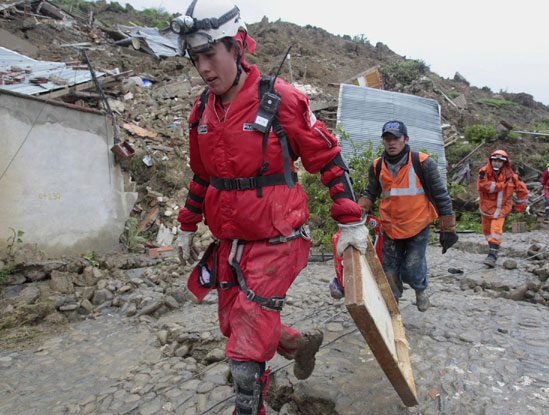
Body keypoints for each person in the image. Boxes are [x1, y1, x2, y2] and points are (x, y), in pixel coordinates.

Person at [170, 2, 368, 414]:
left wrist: (351, 221)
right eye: (196, 59)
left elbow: (327, 159)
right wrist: (187, 225)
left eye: (211, 55)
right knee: (236, 321)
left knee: (244, 346)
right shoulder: (200, 113)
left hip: (278, 240)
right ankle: (299, 344)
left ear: (237, 46)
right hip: (230, 242)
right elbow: (202, 176)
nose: (204, 68)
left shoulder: (281, 101)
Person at [358, 120, 458, 312]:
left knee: (411, 270)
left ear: (406, 140)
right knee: (389, 272)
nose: (391, 143)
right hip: (390, 227)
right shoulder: (377, 166)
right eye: (387, 139)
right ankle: (392, 308)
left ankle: (420, 288)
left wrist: (448, 229)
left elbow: (440, 195)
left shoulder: (423, 163)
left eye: (396, 139)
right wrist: (360, 210)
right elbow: (371, 192)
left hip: (417, 226)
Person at [477, 150, 528, 267]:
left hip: (502, 209)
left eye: (500, 161)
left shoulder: (511, 176)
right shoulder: (484, 172)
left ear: (504, 163)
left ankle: (492, 255)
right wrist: (502, 185)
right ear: (491, 161)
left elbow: (522, 190)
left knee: (496, 231)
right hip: (486, 208)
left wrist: (520, 207)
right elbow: (484, 186)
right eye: (495, 161)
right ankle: (493, 249)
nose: (497, 163)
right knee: (487, 232)